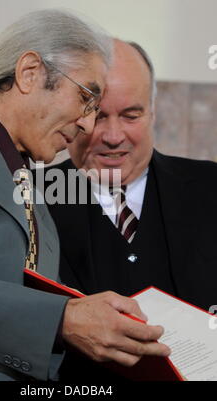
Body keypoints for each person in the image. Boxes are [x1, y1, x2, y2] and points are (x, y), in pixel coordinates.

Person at [0, 13, 170, 381]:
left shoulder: (36, 194)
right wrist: (64, 318)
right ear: (30, 72)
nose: (87, 124)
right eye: (86, 97)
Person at [46, 39, 217, 381]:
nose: (113, 136)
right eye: (96, 114)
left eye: (131, 115)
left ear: (154, 111)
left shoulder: (211, 186)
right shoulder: (26, 195)